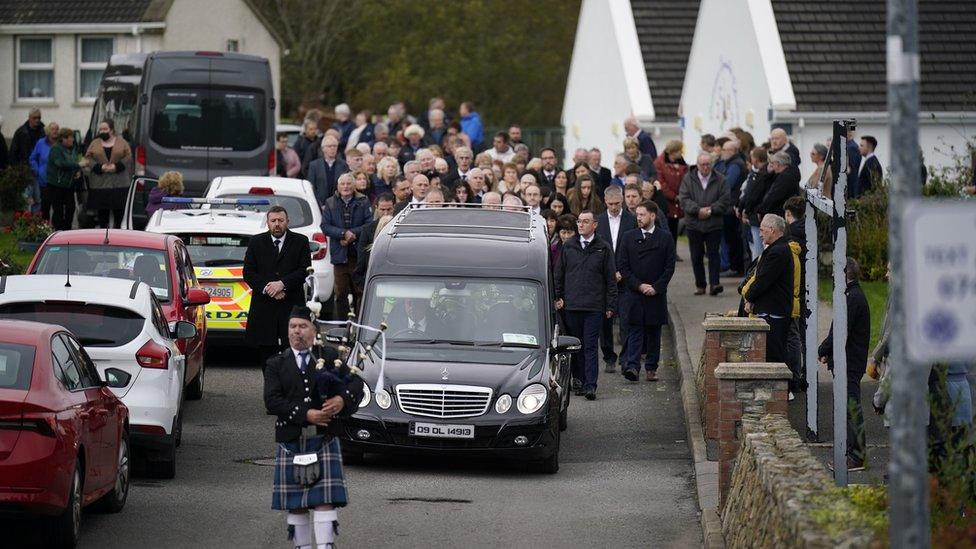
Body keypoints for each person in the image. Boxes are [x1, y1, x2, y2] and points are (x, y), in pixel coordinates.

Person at [263, 306, 361, 549]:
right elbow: (272, 400)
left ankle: (326, 546)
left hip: (323, 439)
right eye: (293, 327)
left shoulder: (329, 356)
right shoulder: (276, 363)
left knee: (324, 501)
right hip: (292, 440)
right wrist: (307, 414)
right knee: (296, 503)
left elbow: (357, 384)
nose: (297, 332)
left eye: (303, 326)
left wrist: (341, 400)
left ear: (314, 330)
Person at [553, 211, 617, 400]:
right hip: (572, 306)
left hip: (594, 306)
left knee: (590, 346)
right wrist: (558, 296)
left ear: (594, 225)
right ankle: (578, 379)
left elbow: (610, 279)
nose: (581, 225)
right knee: (575, 346)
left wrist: (610, 305)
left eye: (585, 222)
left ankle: (591, 385)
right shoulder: (569, 246)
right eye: (579, 221)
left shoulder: (603, 248)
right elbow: (559, 274)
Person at [818, 257, 870, 472]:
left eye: (834, 273)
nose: (831, 276)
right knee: (848, 408)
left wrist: (823, 349)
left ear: (844, 274)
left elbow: (841, 330)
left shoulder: (852, 298)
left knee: (851, 409)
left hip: (850, 362)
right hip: (849, 360)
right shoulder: (851, 295)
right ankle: (852, 453)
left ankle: (856, 457)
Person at [243, 206, 312, 366]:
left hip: (291, 305)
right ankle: (271, 389)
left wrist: (282, 284)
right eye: (273, 221)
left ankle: (292, 388)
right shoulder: (256, 242)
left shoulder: (300, 241)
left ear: (288, 222)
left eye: (280, 220)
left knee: (294, 352)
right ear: (267, 223)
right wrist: (269, 289)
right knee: (267, 357)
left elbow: (305, 270)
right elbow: (248, 272)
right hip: (264, 307)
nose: (277, 224)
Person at [618, 201, 676, 382]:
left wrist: (656, 287)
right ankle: (633, 366)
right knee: (635, 330)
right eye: (637, 215)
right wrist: (639, 285)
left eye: (642, 214)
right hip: (635, 293)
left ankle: (651, 368)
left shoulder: (665, 238)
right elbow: (623, 266)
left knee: (653, 332)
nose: (639, 218)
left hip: (656, 294)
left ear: (652, 215)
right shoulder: (628, 237)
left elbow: (669, 267)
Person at [740, 214, 794, 372]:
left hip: (774, 311)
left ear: (773, 230)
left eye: (762, 230)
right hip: (772, 309)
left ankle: (784, 390)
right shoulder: (776, 249)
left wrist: (748, 297)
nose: (760, 233)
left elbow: (763, 280)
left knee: (775, 353)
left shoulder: (777, 252)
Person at [595, 186, 637, 373]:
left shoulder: (631, 220)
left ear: (622, 201)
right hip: (603, 279)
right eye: (610, 204)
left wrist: (621, 271)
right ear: (605, 202)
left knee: (627, 319)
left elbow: (634, 248)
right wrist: (608, 272)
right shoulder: (598, 221)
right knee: (605, 321)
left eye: (617, 204)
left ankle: (626, 358)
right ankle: (609, 356)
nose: (614, 207)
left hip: (625, 278)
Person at [322, 173, 372, 320]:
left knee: (360, 292)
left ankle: (359, 322)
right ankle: (343, 325)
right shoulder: (330, 202)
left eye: (349, 184)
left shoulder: (363, 201)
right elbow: (324, 226)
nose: (346, 187)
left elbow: (369, 224)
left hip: (358, 255)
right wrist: (343, 234)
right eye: (342, 184)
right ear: (338, 186)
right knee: (341, 293)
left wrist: (353, 234)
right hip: (339, 256)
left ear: (354, 185)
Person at [679, 153, 730, 296]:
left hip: (714, 223)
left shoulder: (720, 179)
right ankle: (700, 285)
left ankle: (715, 284)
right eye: (703, 164)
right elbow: (683, 199)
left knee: (714, 254)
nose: (706, 167)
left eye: (708, 164)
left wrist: (710, 210)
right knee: (696, 255)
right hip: (694, 224)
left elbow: (725, 199)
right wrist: (697, 210)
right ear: (697, 164)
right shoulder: (688, 179)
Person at [84, 120, 131, 228]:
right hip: (100, 184)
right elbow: (88, 158)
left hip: (119, 184)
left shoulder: (122, 142)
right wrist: (99, 167)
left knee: (119, 213)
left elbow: (128, 157)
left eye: (105, 129)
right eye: (101, 129)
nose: (102, 131)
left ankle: (117, 235)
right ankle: (104, 236)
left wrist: (117, 166)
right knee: (102, 215)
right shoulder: (94, 143)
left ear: (112, 130)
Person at [783, 196, 808, 395]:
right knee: (805, 335)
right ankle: (806, 375)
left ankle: (796, 376)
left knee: (793, 335)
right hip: (808, 287)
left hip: (795, 290)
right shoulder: (810, 230)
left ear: (789, 214)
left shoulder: (790, 236)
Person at [714, 139, 748, 276]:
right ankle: (729, 265)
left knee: (730, 238)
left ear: (732, 151)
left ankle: (732, 266)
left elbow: (727, 184)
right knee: (728, 238)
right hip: (729, 205)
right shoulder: (732, 163)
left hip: (730, 207)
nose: (722, 152)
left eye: (724, 150)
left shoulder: (735, 165)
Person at [46, 128, 89, 231]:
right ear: (63, 139)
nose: (73, 140)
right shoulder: (55, 149)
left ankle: (67, 230)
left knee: (71, 208)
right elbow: (60, 163)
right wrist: (78, 164)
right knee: (58, 210)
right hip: (56, 185)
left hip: (69, 185)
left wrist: (77, 171)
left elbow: (76, 161)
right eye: (70, 138)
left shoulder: (73, 149)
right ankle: (58, 231)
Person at [739, 147, 774, 260]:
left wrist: (744, 210)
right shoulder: (766, 173)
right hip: (760, 213)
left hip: (756, 215)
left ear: (755, 159)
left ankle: (758, 273)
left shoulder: (760, 175)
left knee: (757, 249)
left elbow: (751, 195)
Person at [354, 194, 395, 289]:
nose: (386, 213)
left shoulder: (401, 227)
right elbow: (361, 263)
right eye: (382, 210)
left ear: (394, 207)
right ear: (376, 208)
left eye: (389, 209)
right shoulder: (367, 230)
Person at [653, 140, 689, 248]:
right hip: (666, 201)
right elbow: (661, 183)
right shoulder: (659, 163)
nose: (681, 153)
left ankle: (674, 250)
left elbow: (686, 179)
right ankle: (667, 250)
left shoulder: (682, 163)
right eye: (679, 151)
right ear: (673, 151)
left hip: (678, 202)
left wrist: (682, 195)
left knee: (674, 226)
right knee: (666, 226)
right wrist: (674, 196)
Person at [307, 136, 349, 208]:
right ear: (323, 149)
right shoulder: (314, 165)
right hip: (319, 205)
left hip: (339, 205)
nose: (332, 148)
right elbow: (311, 186)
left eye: (334, 146)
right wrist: (318, 204)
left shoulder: (343, 165)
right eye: (329, 146)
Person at [28, 122, 59, 219]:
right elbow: (32, 158)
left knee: (57, 208)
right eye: (53, 129)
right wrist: (37, 170)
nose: (55, 131)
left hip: (57, 181)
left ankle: (56, 229)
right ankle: (44, 229)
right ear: (48, 131)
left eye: (57, 129)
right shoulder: (41, 143)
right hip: (43, 180)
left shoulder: (60, 143)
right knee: (44, 206)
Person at [759, 152, 801, 218]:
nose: (772, 166)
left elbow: (773, 196)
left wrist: (761, 210)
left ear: (778, 164)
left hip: (781, 215)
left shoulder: (784, 177)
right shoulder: (789, 173)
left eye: (773, 163)